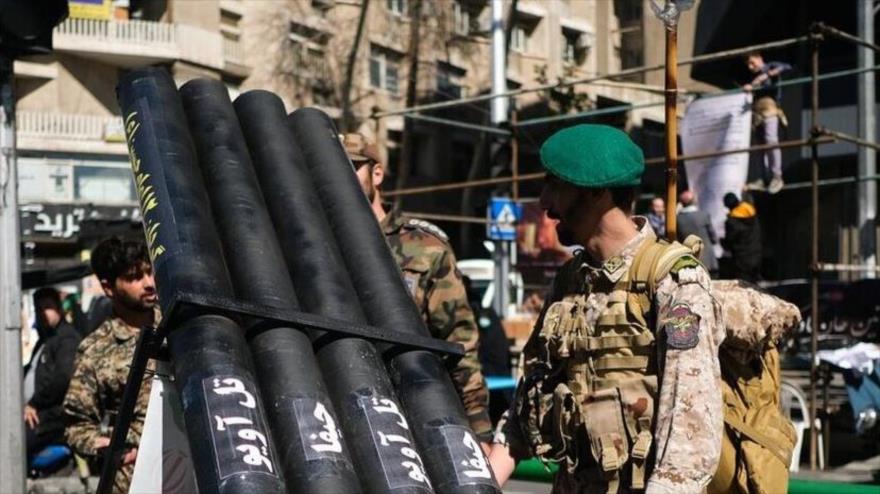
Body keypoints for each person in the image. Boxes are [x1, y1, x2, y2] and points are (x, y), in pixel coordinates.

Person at [488, 124, 725, 493]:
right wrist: (480, 482)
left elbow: (691, 423)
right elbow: (530, 401)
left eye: (556, 185)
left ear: (597, 192)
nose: (544, 203)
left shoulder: (673, 279)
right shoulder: (570, 280)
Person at [343, 132, 493, 447]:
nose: (341, 174)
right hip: (344, 407)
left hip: (413, 411)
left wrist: (478, 428)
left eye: (353, 166)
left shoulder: (424, 247)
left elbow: (458, 340)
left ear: (377, 173)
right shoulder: (321, 244)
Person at [63, 238, 157, 493]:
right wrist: (107, 447)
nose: (149, 283)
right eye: (135, 277)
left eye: (149, 272)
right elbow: (77, 424)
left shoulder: (183, 328)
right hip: (134, 481)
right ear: (108, 287)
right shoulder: (95, 350)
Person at [23, 287, 81, 466]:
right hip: (33, 413)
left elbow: (62, 378)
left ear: (59, 309)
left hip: (50, 417)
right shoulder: (45, 339)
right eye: (39, 309)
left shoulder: (67, 339)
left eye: (47, 307)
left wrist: (34, 403)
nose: (43, 313)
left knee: (12, 445)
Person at [743, 51, 792, 194]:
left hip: (770, 108)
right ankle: (763, 178)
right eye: (749, 65)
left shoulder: (771, 66)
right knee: (760, 147)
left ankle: (777, 176)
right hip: (756, 113)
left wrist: (767, 75)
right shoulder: (751, 76)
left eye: (753, 62)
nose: (751, 67)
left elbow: (787, 67)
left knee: (771, 141)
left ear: (760, 58)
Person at [676, 190, 719, 277]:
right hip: (707, 259)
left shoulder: (677, 219)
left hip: (689, 260)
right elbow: (713, 237)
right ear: (694, 201)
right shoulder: (703, 215)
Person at [721, 192, 762, 282]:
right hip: (756, 253)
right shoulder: (752, 212)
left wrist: (723, 242)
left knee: (745, 284)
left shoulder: (731, 222)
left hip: (742, 258)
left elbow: (730, 240)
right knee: (755, 283)